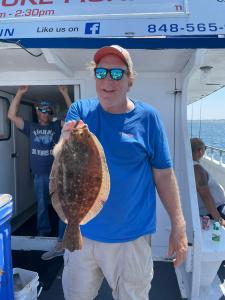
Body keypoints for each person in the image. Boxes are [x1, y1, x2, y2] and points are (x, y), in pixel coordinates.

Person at [60, 45, 188, 300]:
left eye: (117, 74)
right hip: (82, 235)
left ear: (130, 80)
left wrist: (179, 225)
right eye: (101, 72)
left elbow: (163, 175)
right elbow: (64, 161)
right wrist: (65, 140)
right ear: (94, 75)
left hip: (131, 240)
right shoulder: (80, 111)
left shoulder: (148, 118)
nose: (108, 80)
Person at [8, 85, 72, 259]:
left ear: (50, 112)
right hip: (39, 176)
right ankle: (43, 235)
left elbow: (74, 117)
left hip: (57, 176)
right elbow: (11, 116)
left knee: (61, 207)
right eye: (41, 109)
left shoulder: (56, 127)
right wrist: (20, 93)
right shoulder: (31, 127)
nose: (44, 112)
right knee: (42, 206)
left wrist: (65, 94)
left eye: (47, 110)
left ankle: (61, 239)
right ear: (37, 112)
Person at [190, 137, 225, 226]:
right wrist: (219, 220)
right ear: (200, 151)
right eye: (205, 148)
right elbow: (206, 196)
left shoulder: (190, 165)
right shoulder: (197, 169)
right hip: (214, 211)